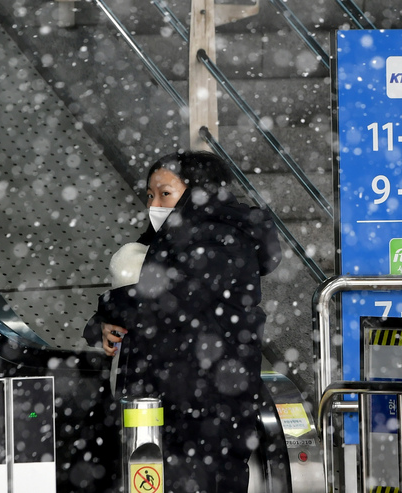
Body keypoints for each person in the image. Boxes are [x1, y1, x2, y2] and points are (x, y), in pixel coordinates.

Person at [84, 150, 281, 493]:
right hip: (168, 403)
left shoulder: (223, 239)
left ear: (198, 192)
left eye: (165, 193)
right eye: (149, 195)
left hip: (207, 407)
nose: (154, 204)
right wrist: (102, 321)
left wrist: (109, 305)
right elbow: (144, 302)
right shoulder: (169, 240)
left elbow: (169, 303)